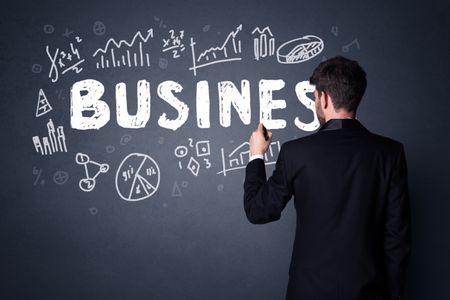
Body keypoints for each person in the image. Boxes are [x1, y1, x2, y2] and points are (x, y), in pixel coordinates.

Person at [244, 56, 411, 300]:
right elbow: (397, 240)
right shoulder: (389, 153)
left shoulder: (295, 152)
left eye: (314, 97)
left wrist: (256, 155)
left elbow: (258, 211)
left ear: (323, 98)